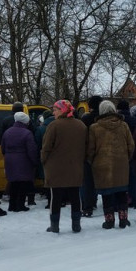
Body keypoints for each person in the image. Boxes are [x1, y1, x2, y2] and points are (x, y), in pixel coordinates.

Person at [87, 100, 134, 229]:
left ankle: (109, 221)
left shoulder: (94, 128)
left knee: (107, 194)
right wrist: (126, 158)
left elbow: (91, 149)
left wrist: (92, 161)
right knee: (121, 193)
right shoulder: (123, 125)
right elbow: (131, 145)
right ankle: (123, 220)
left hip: (102, 165)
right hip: (121, 164)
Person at [41, 100, 87, 233]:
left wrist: (43, 160)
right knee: (75, 196)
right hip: (75, 166)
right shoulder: (81, 125)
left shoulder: (53, 126)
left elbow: (46, 147)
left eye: (55, 109)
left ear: (62, 110)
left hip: (56, 168)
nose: (53, 112)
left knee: (55, 197)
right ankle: (76, 224)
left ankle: (54, 225)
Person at [1, 111, 39, 212]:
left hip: (9, 160)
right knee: (22, 183)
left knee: (13, 183)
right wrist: (35, 161)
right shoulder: (27, 133)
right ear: (25, 122)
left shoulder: (7, 132)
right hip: (23, 161)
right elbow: (31, 150)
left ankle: (12, 205)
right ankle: (20, 205)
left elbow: (3, 148)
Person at [80, 95, 103, 217]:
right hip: (103, 153)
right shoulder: (104, 118)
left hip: (88, 153)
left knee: (88, 181)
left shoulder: (86, 119)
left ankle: (88, 206)